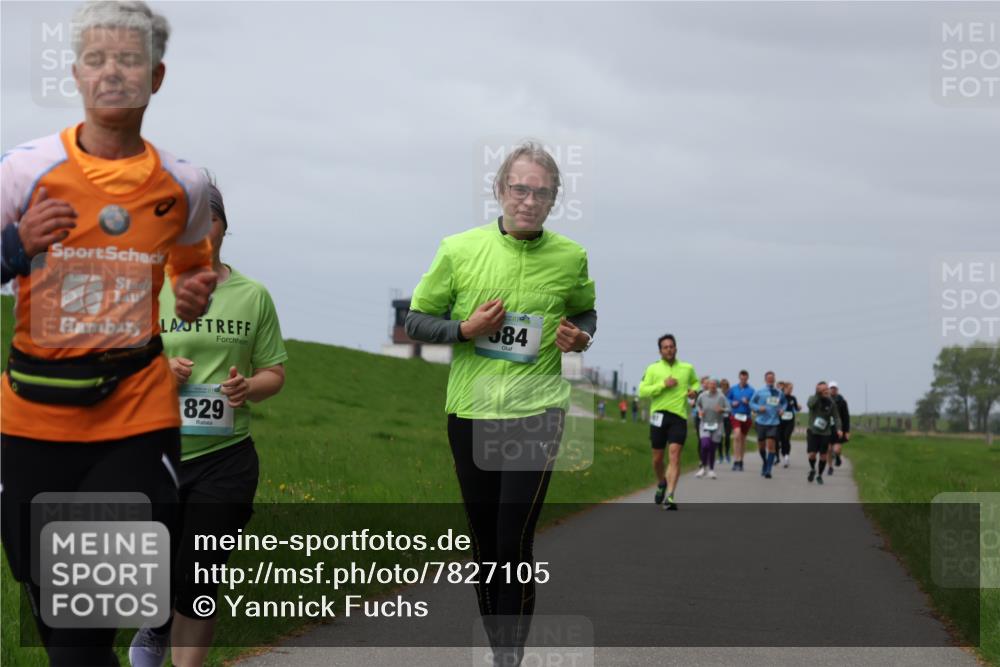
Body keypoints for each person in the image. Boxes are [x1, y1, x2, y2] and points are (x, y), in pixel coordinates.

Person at [1, 2, 216, 664]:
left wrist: (192, 291)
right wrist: (15, 245)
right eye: (97, 60)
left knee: (94, 605)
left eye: (127, 60)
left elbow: (192, 265)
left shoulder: (186, 183)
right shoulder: (23, 170)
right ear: (76, 74)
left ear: (157, 76)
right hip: (32, 416)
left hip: (133, 413)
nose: (111, 73)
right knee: (51, 601)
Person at [404, 141, 596, 666]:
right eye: (520, 189)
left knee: (513, 542)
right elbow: (416, 320)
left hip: (539, 412)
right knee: (487, 546)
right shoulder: (458, 249)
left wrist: (580, 337)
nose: (529, 201)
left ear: (554, 199)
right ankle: (499, 653)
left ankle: (510, 659)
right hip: (470, 412)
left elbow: (586, 313)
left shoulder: (570, 256)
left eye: (541, 192)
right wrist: (465, 329)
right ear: (499, 190)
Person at [129, 181, 288, 667]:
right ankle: (156, 624)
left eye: (208, 218)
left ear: (223, 228)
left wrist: (248, 389)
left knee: (199, 575)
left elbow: (274, 373)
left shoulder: (252, 296)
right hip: (156, 453)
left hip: (226, 458)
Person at [638, 334, 699, 510]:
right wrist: (663, 385)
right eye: (665, 347)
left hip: (678, 416)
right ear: (660, 351)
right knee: (657, 459)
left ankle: (670, 496)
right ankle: (661, 482)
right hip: (658, 416)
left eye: (671, 346)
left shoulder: (687, 368)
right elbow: (642, 391)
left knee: (674, 454)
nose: (669, 349)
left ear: (676, 348)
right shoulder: (652, 369)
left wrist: (693, 392)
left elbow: (695, 383)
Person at [749, 371, 786, 479]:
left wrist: (782, 410)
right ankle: (765, 462)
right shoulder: (759, 391)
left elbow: (784, 403)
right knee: (761, 446)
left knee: (771, 445)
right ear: (765, 380)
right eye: (768, 378)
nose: (770, 380)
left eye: (772, 378)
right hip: (761, 422)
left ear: (774, 379)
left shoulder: (779, 392)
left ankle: (768, 469)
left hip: (774, 422)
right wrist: (758, 408)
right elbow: (751, 403)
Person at [806, 382, 845, 484]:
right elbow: (810, 405)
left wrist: (839, 429)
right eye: (822, 390)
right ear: (818, 390)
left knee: (823, 456)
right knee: (812, 454)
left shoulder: (831, 402)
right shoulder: (813, 399)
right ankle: (812, 469)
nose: (825, 391)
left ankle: (819, 475)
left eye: (826, 389)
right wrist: (817, 394)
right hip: (813, 431)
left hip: (825, 433)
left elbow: (836, 417)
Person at [695, 378, 727, 479]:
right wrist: (699, 411)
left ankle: (711, 470)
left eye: (714, 384)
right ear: (707, 386)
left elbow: (729, 409)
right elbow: (697, 406)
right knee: (705, 445)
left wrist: (722, 409)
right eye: (710, 384)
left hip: (717, 424)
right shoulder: (702, 395)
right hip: (705, 423)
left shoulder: (721, 397)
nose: (712, 386)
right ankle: (703, 468)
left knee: (712, 448)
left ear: (717, 386)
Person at [726, 370, 755, 471]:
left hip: (746, 416)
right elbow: (727, 399)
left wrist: (748, 402)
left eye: (745, 378)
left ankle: (741, 461)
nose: (743, 380)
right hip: (735, 415)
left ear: (747, 378)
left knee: (742, 439)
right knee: (737, 435)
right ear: (739, 378)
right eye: (742, 378)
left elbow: (754, 402)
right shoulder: (733, 389)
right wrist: (732, 403)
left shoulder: (751, 390)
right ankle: (736, 460)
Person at [828, 381, 851, 472]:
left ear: (837, 390)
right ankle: (830, 467)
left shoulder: (842, 402)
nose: (833, 390)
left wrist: (847, 431)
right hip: (828, 428)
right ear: (829, 389)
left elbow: (846, 417)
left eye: (834, 388)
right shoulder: (825, 400)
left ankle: (837, 456)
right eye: (831, 388)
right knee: (828, 449)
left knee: (836, 449)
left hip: (839, 429)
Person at [779, 381, 799, 468]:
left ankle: (786, 457)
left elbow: (796, 409)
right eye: (789, 388)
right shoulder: (780, 397)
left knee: (787, 437)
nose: (790, 390)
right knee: (781, 439)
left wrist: (798, 407)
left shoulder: (793, 398)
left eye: (792, 389)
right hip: (781, 421)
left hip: (790, 421)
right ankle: (783, 453)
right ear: (785, 388)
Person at [718, 378, 733, 464]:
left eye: (725, 385)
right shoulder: (718, 393)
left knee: (727, 436)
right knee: (720, 437)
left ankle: (727, 453)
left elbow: (732, 402)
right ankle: (720, 455)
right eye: (722, 385)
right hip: (719, 417)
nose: (724, 386)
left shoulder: (730, 393)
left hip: (728, 417)